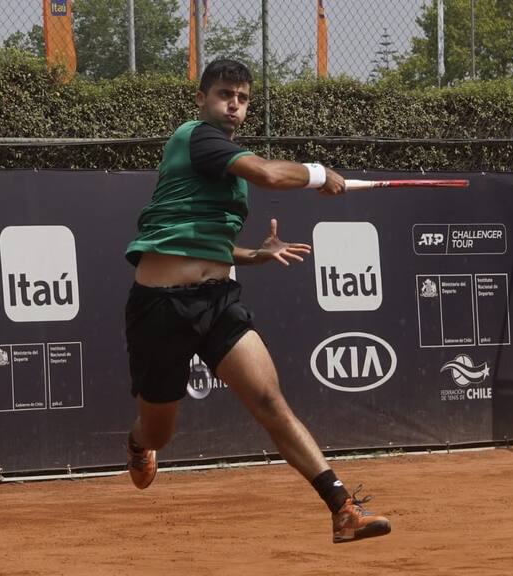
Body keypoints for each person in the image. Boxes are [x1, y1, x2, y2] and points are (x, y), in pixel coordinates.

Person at [123, 59, 390, 543]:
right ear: (202, 99)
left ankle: (342, 508)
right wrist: (316, 172)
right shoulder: (198, 137)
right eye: (225, 94)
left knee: (270, 400)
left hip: (218, 299)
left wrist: (254, 255)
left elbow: (206, 244)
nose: (234, 106)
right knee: (159, 432)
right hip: (160, 307)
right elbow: (269, 174)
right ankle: (140, 442)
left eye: (243, 99)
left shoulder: (227, 171)